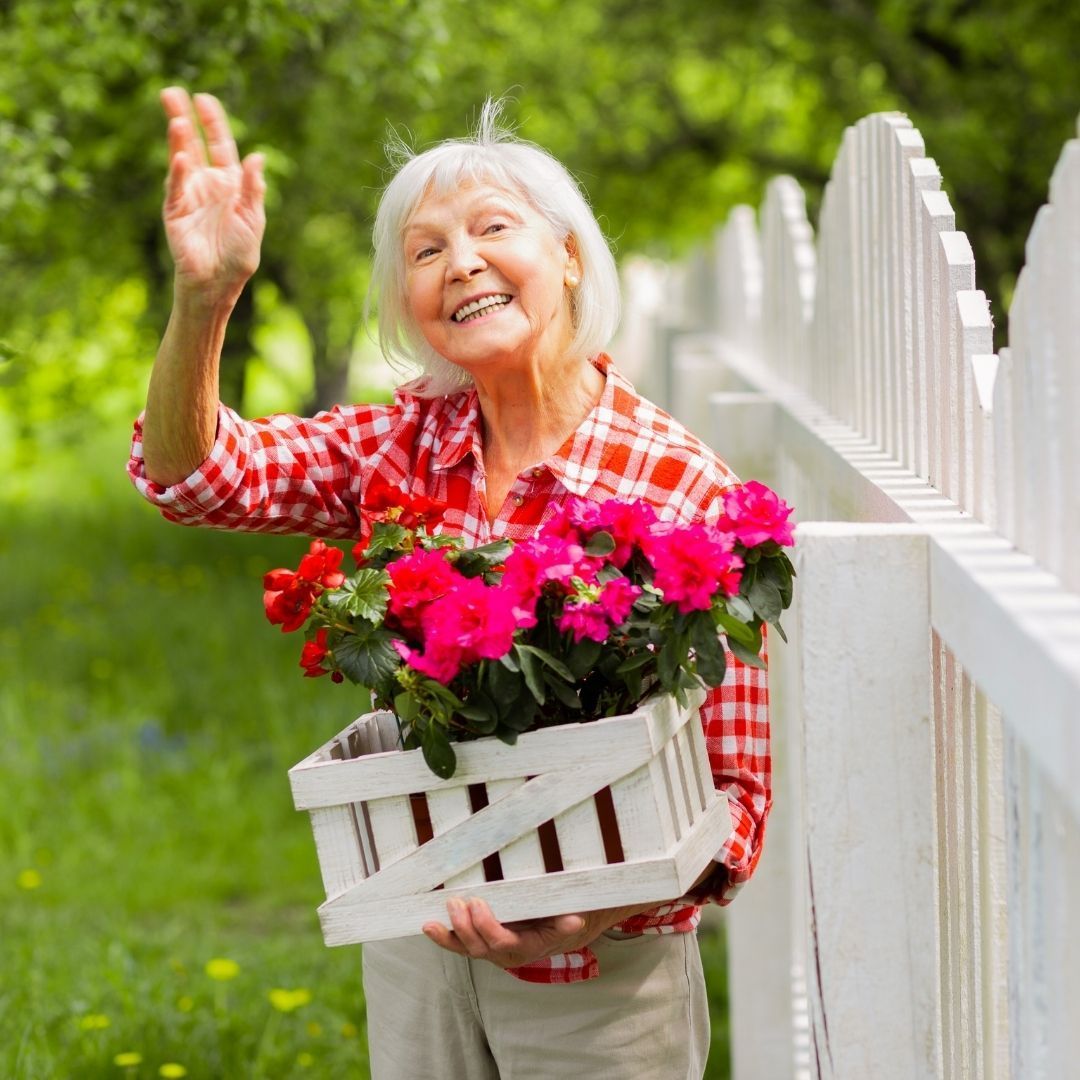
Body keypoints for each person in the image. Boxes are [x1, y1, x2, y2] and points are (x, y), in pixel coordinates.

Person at [129, 87, 771, 1080]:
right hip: (421, 931)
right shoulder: (399, 444)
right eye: (425, 251)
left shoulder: (677, 482)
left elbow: (735, 792)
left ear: (566, 253)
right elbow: (197, 477)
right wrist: (205, 301)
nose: (459, 261)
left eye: (490, 228)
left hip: (601, 974)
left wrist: (580, 909)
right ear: (411, 305)